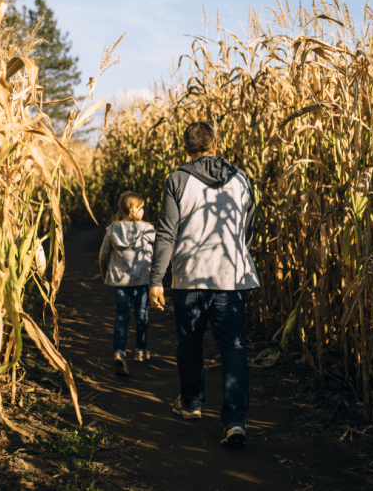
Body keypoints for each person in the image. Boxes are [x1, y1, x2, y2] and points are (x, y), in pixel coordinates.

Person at [148, 121, 259, 449]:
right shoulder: (241, 178)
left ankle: (192, 403)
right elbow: (248, 227)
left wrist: (156, 279)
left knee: (190, 344)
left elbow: (167, 232)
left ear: (186, 147)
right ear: (215, 142)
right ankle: (235, 421)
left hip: (190, 278)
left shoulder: (178, 179)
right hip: (231, 277)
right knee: (233, 347)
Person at [99, 191, 156, 376]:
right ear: (133, 210)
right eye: (141, 208)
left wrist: (104, 273)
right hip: (141, 281)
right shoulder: (147, 229)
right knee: (142, 314)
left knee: (122, 317)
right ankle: (140, 350)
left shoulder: (112, 229)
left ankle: (119, 352)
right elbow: (160, 250)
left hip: (120, 282)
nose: (143, 212)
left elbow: (103, 255)